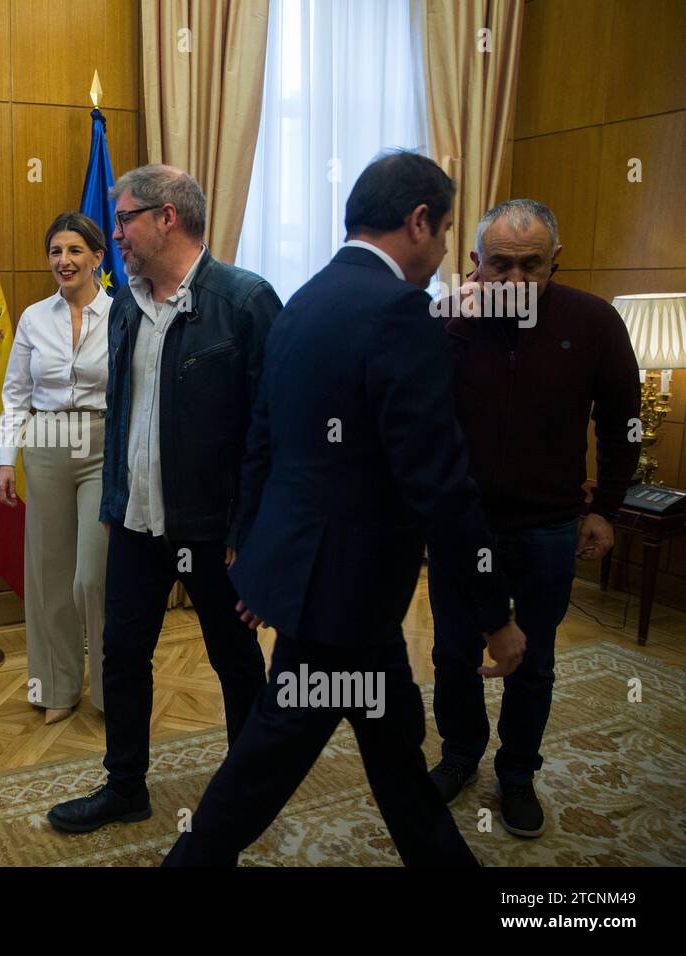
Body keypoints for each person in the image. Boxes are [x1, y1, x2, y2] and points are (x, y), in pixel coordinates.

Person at [164, 150, 526, 867]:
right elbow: (439, 485)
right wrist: (496, 616)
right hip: (345, 600)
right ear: (418, 221)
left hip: (328, 588)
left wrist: (263, 564)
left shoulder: (303, 300)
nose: (450, 248)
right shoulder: (400, 314)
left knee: (393, 749)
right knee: (269, 759)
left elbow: (263, 445)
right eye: (449, 228)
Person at [46, 165, 282, 834]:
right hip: (137, 522)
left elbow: (276, 429)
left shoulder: (246, 301)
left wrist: (256, 533)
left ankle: (248, 795)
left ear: (167, 218)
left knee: (234, 660)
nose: (114, 233)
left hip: (217, 531)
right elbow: (124, 410)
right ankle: (125, 787)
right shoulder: (125, 304)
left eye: (123, 220)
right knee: (121, 654)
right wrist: (116, 501)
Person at [428, 199, 640, 837]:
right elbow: (419, 411)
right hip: (463, 525)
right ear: (474, 265)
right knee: (451, 652)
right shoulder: (448, 321)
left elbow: (622, 420)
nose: (516, 282)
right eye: (500, 266)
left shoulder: (594, 320)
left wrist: (606, 507)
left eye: (532, 266)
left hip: (548, 526)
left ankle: (517, 772)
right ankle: (460, 755)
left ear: (556, 264)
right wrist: (462, 320)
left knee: (535, 658)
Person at [0, 213, 112, 724]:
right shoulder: (32, 318)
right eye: (55, 252)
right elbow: (15, 393)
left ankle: (112, 689)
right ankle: (57, 688)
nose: (63, 261)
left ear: (97, 258)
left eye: (73, 251)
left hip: (102, 444)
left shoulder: (122, 313)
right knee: (48, 575)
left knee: (93, 575)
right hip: (44, 442)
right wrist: (6, 460)